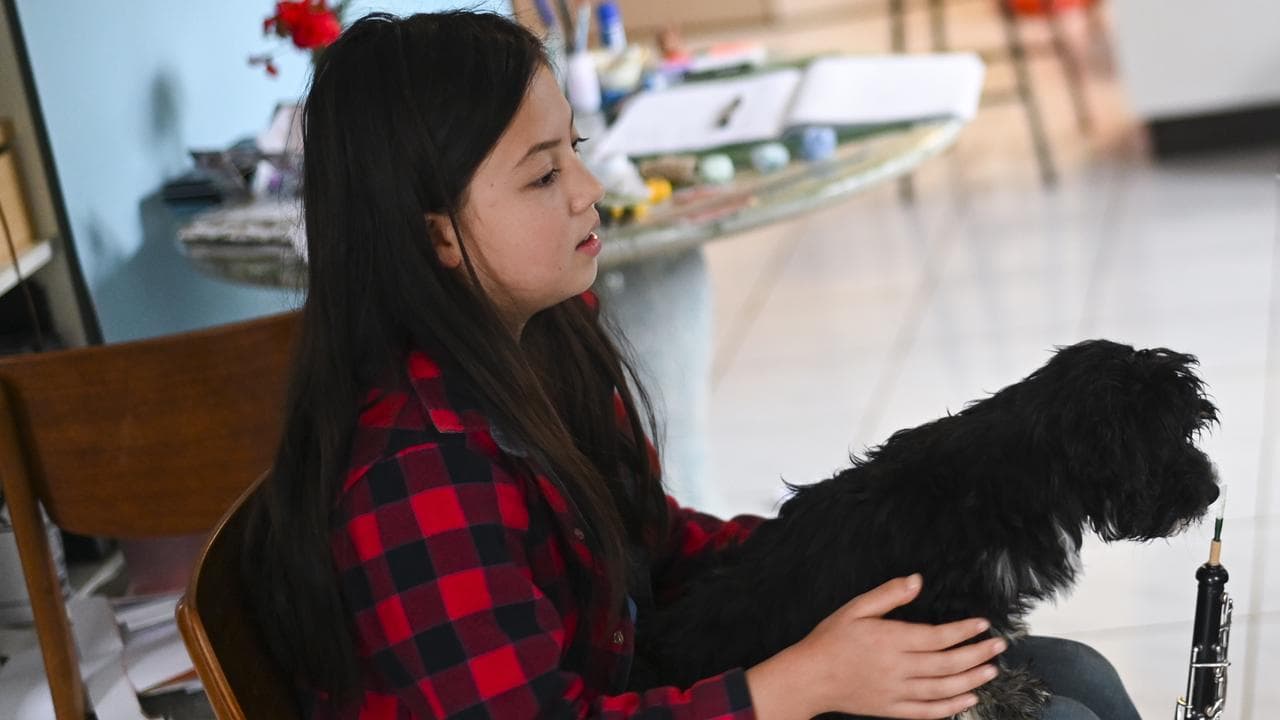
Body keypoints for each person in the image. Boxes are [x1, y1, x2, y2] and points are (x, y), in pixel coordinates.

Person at [242, 11, 1141, 720]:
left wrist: (859, 557)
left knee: (1075, 676)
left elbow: (651, 546)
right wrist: (796, 686)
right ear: (435, 233)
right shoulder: (414, 475)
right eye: (540, 175)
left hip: (657, 677)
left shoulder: (550, 344)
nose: (589, 190)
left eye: (575, 154)